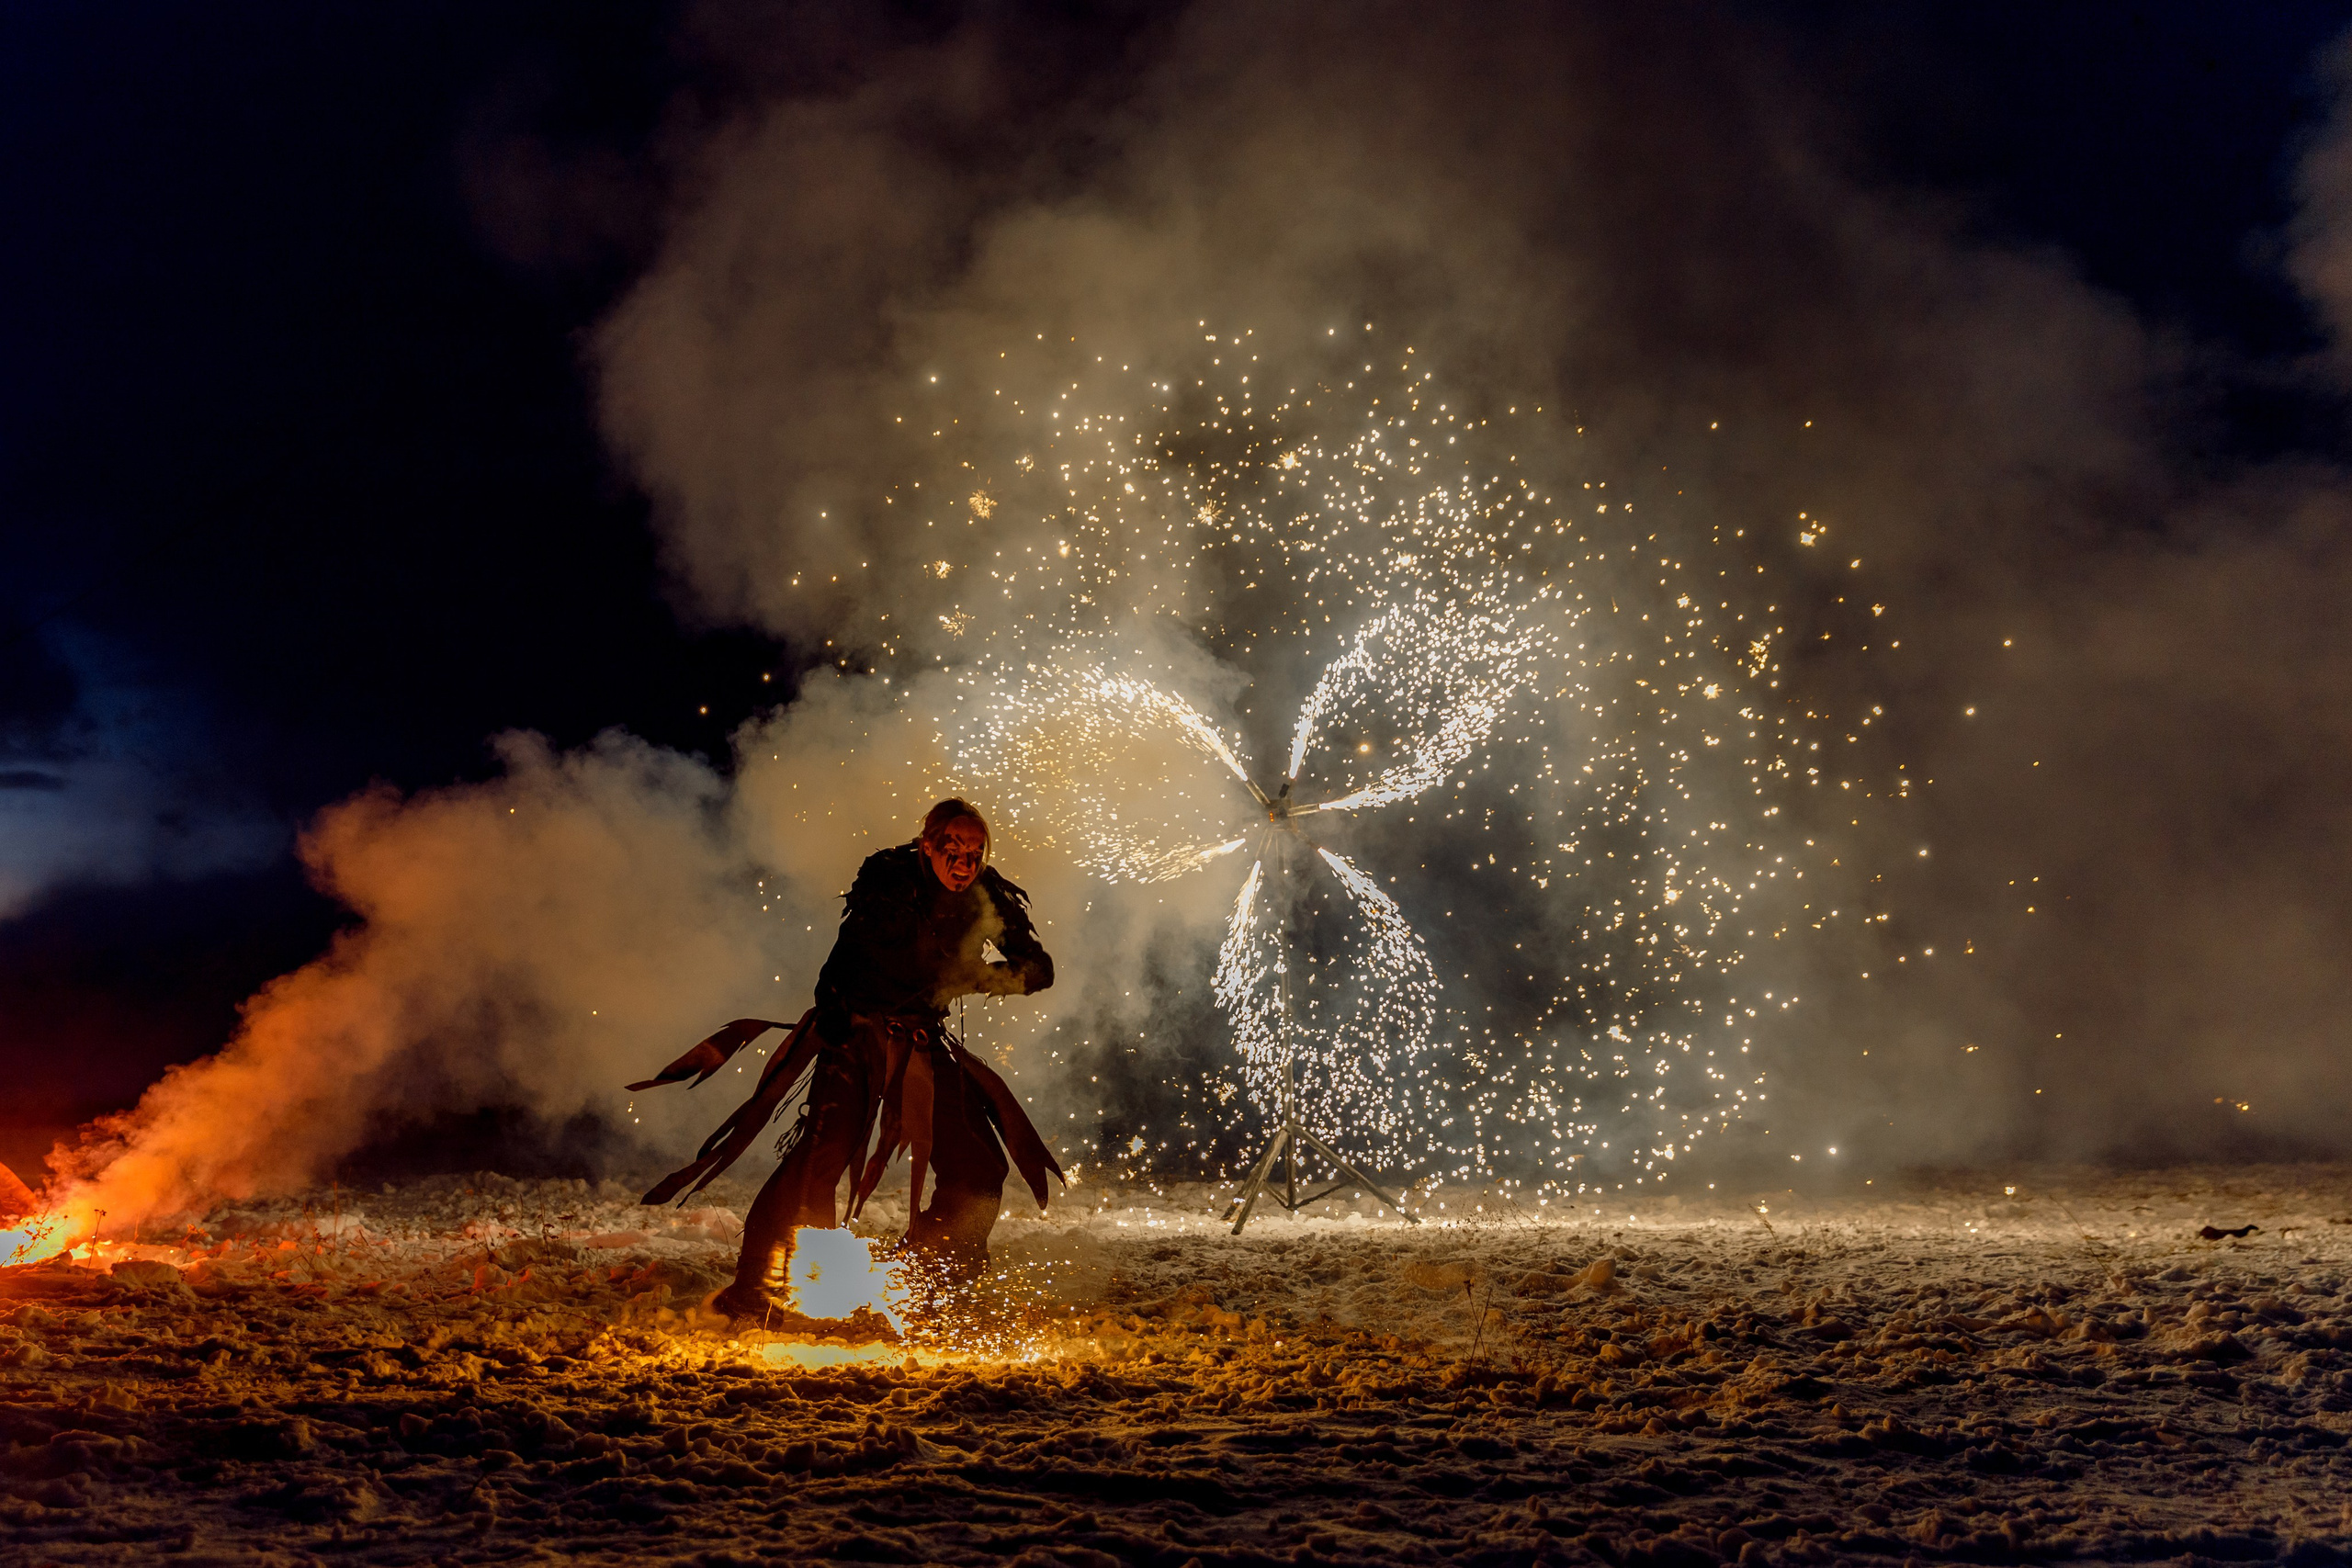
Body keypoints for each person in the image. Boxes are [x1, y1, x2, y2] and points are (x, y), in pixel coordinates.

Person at [629, 798, 1063, 1323]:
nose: (965, 864)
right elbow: (840, 964)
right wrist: (837, 1021)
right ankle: (754, 1293)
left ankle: (932, 1282)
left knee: (978, 1169)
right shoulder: (890, 882)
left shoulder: (985, 896)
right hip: (858, 1034)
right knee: (819, 1159)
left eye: (976, 852)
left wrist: (977, 975)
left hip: (924, 1041)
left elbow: (1038, 968)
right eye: (954, 849)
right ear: (928, 846)